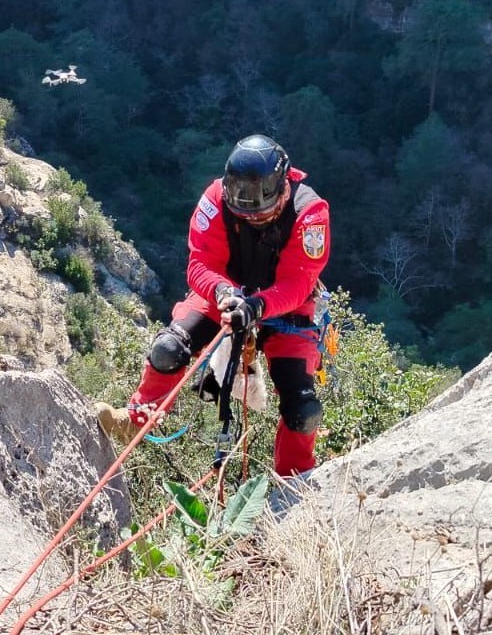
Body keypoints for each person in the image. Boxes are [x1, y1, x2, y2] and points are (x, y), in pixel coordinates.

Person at [96, 134, 330, 478]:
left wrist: (257, 306)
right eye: (244, 206)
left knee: (303, 407)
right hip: (227, 295)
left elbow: (298, 282)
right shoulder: (215, 199)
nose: (253, 216)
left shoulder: (310, 211)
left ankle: (293, 479)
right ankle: (136, 419)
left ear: (283, 186)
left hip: (285, 311)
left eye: (261, 208)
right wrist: (223, 292)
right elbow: (200, 263)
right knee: (168, 349)